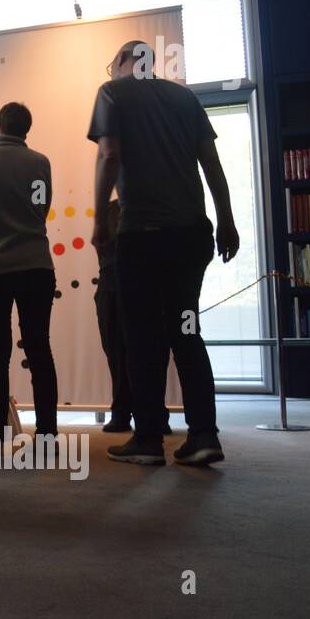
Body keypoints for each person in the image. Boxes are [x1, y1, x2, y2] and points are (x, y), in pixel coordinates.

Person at [89, 40, 238, 467]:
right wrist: (226, 220)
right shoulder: (184, 97)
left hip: (142, 234)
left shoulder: (112, 92)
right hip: (191, 235)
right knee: (186, 331)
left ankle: (149, 438)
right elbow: (211, 163)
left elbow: (110, 154)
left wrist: (101, 218)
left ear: (120, 63)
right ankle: (204, 435)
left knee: (141, 337)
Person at [0, 102, 59, 442]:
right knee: (39, 349)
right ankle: (47, 432)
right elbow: (41, 210)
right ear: (25, 130)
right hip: (36, 266)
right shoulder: (40, 162)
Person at [94, 198, 172, 435]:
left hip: (132, 283)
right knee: (123, 352)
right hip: (119, 282)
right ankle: (130, 412)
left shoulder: (147, 208)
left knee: (148, 351)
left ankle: (146, 413)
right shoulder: (115, 209)